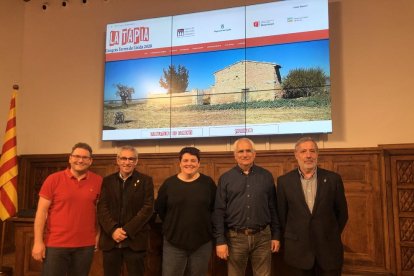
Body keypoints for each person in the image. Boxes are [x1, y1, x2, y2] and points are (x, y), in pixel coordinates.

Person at [276, 137, 348, 276]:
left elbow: (342, 213)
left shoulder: (333, 179)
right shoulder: (284, 182)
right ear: (296, 155)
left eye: (312, 151)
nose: (308, 155)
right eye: (303, 151)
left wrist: (328, 233)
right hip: (297, 252)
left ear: (317, 154)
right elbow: (282, 216)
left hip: (329, 251)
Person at [31, 142, 102, 276]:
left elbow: (101, 212)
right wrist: (38, 242)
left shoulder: (98, 181)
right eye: (76, 156)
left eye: (85, 157)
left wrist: (98, 236)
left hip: (85, 245)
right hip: (56, 245)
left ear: (91, 161)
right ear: (70, 158)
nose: (80, 160)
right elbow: (41, 212)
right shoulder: (53, 179)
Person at [213, 137, 281, 276]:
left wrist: (276, 235)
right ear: (235, 155)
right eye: (241, 151)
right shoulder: (226, 178)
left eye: (248, 151)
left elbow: (273, 208)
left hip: (263, 238)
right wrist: (220, 240)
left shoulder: (266, 176)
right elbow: (219, 211)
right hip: (235, 238)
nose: (245, 154)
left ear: (254, 154)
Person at [155, 147, 217, 276]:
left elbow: (214, 209)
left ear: (199, 163)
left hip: (202, 243)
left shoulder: (208, 183)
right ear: (180, 163)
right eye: (185, 160)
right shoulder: (169, 184)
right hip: (173, 243)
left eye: (193, 160)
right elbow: (161, 209)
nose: (189, 163)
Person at [97, 145, 154, 276]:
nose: (127, 162)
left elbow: (147, 208)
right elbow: (102, 207)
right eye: (123, 158)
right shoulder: (107, 180)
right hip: (111, 241)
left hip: (135, 241)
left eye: (131, 159)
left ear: (136, 161)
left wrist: (126, 230)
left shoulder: (145, 181)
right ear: (117, 160)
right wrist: (113, 230)